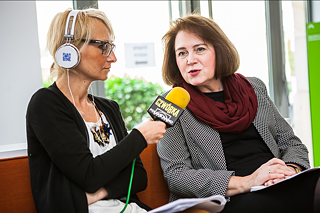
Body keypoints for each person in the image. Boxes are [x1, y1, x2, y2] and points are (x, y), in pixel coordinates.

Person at [157, 14, 320, 213]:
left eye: (200, 49)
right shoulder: (170, 104)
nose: (190, 60)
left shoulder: (254, 87)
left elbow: (291, 143)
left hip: (279, 183)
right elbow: (177, 175)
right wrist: (248, 181)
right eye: (182, 53)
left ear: (220, 51)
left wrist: (288, 171)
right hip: (229, 198)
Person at [26, 8, 166, 213]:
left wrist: (98, 193)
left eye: (111, 47)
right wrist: (140, 136)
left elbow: (138, 178)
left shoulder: (109, 108)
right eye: (104, 46)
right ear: (69, 50)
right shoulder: (46, 104)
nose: (113, 58)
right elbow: (88, 175)